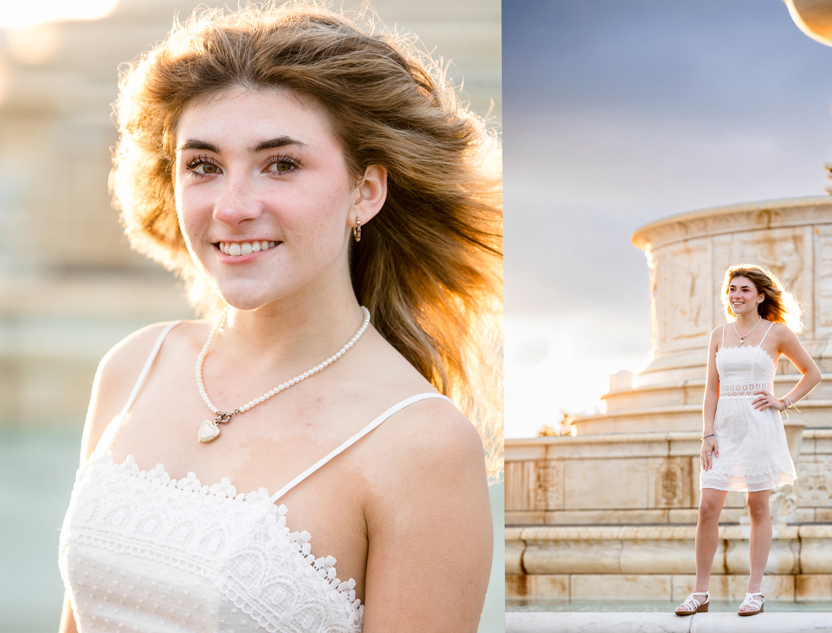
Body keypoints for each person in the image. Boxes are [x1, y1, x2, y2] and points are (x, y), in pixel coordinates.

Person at [57, 4, 501, 632]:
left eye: (282, 164)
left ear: (365, 191)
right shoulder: (133, 367)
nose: (232, 208)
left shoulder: (421, 445)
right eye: (204, 166)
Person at [674, 264, 820, 617]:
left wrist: (782, 401)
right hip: (723, 428)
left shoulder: (777, 332)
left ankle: (754, 592)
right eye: (732, 290)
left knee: (758, 507)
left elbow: (812, 373)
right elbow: (711, 389)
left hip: (759, 428)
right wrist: (707, 433)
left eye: (743, 290)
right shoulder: (718, 335)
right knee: (707, 507)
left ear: (760, 295)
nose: (736, 296)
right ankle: (700, 592)